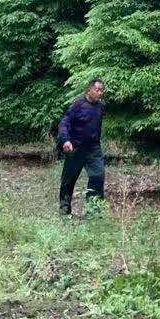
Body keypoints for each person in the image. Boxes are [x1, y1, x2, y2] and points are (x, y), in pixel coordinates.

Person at [58, 78, 106, 217]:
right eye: (97, 90)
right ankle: (64, 211)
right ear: (89, 90)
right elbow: (64, 124)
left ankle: (94, 212)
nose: (99, 93)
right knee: (69, 180)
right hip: (76, 148)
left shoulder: (101, 107)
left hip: (94, 149)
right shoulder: (77, 105)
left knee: (98, 176)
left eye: (102, 90)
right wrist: (65, 141)